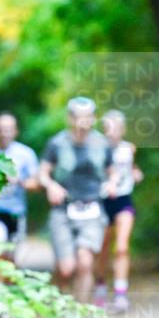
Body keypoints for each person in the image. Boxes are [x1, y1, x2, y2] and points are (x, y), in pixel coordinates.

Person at [39, 97, 119, 303]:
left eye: (88, 118)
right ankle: (58, 295)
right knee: (67, 268)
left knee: (85, 262)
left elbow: (114, 172)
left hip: (92, 209)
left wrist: (111, 183)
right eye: (79, 118)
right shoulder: (56, 143)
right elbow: (43, 173)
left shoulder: (102, 143)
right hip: (62, 210)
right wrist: (51, 185)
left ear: (93, 119)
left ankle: (79, 312)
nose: (84, 122)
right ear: (70, 119)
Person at [94, 110, 143, 312]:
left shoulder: (128, 149)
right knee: (103, 249)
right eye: (109, 128)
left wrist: (136, 173)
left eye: (116, 127)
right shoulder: (96, 149)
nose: (112, 132)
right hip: (102, 201)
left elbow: (130, 169)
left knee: (122, 247)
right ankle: (100, 286)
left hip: (123, 200)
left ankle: (121, 293)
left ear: (122, 129)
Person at [0, 113, 40, 256]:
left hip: (16, 213)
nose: (4, 133)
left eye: (8, 129)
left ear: (15, 131)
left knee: (10, 258)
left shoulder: (26, 154)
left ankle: (1, 278)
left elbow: (36, 184)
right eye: (1, 129)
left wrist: (18, 180)